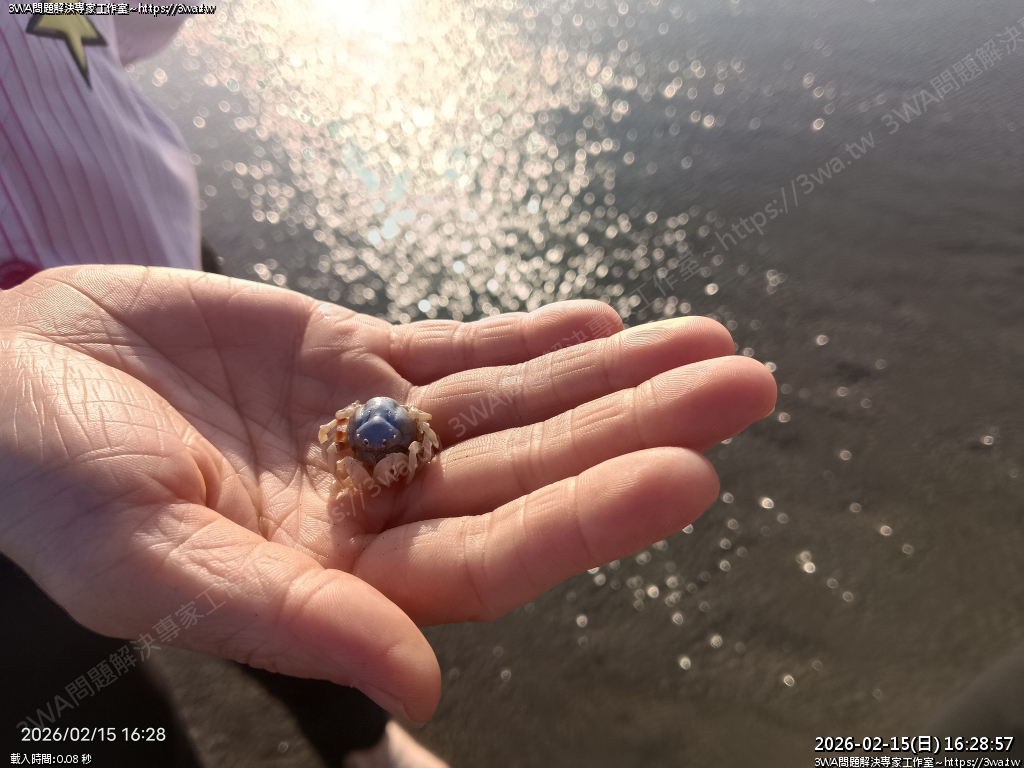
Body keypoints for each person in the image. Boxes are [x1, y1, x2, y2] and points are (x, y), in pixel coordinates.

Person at [0, 9, 778, 766]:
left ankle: (362, 741)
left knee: (280, 572)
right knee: (69, 683)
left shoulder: (380, 426)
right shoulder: (354, 438)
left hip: (165, 288)